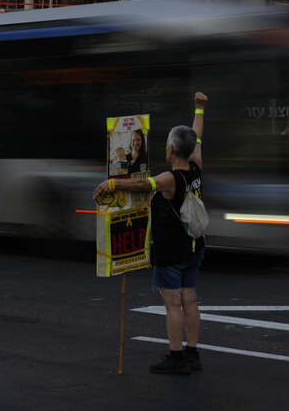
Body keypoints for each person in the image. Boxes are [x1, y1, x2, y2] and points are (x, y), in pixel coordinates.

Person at [93, 92, 207, 375]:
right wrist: (199, 109)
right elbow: (197, 137)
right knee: (190, 297)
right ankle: (193, 354)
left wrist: (113, 184)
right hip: (195, 245)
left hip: (171, 249)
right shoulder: (195, 168)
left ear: (170, 149)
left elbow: (145, 186)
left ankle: (177, 357)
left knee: (172, 302)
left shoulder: (170, 179)